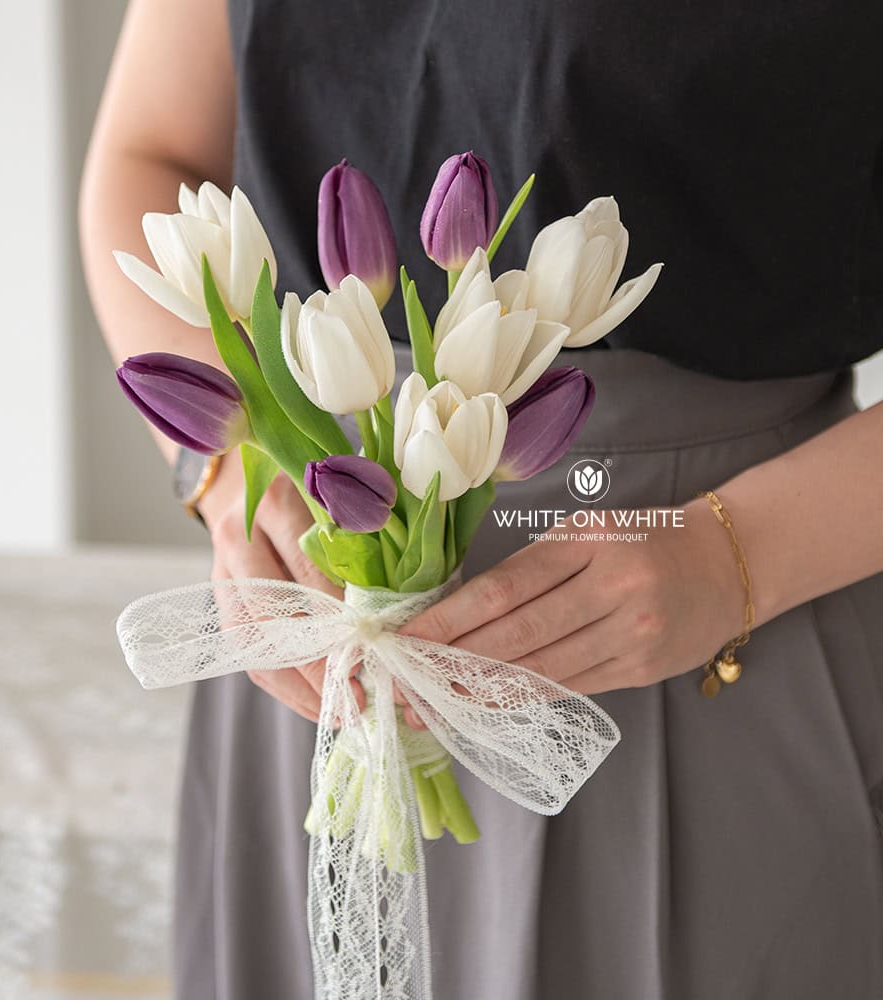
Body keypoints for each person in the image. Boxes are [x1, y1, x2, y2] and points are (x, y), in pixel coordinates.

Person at [80, 0, 883, 996]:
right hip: (316, 633)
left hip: (715, 637)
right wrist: (233, 479)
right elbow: (149, 155)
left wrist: (736, 556)